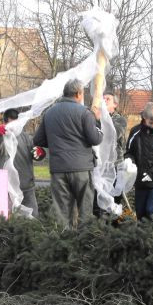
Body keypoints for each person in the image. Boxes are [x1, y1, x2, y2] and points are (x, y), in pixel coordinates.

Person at [33, 78, 103, 228]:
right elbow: (95, 139)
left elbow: (38, 139)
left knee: (62, 213)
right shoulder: (85, 113)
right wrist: (97, 122)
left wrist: (54, 143)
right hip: (81, 169)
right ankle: (84, 245)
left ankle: (63, 244)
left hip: (58, 169)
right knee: (85, 211)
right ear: (78, 94)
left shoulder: (49, 113)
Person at [0, 108, 46, 217]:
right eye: (12, 123)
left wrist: (40, 153)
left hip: (27, 186)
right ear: (5, 122)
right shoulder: (1, 136)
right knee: (8, 218)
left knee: (33, 216)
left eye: (17, 123)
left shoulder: (26, 137)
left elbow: (35, 153)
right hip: (7, 187)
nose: (15, 127)